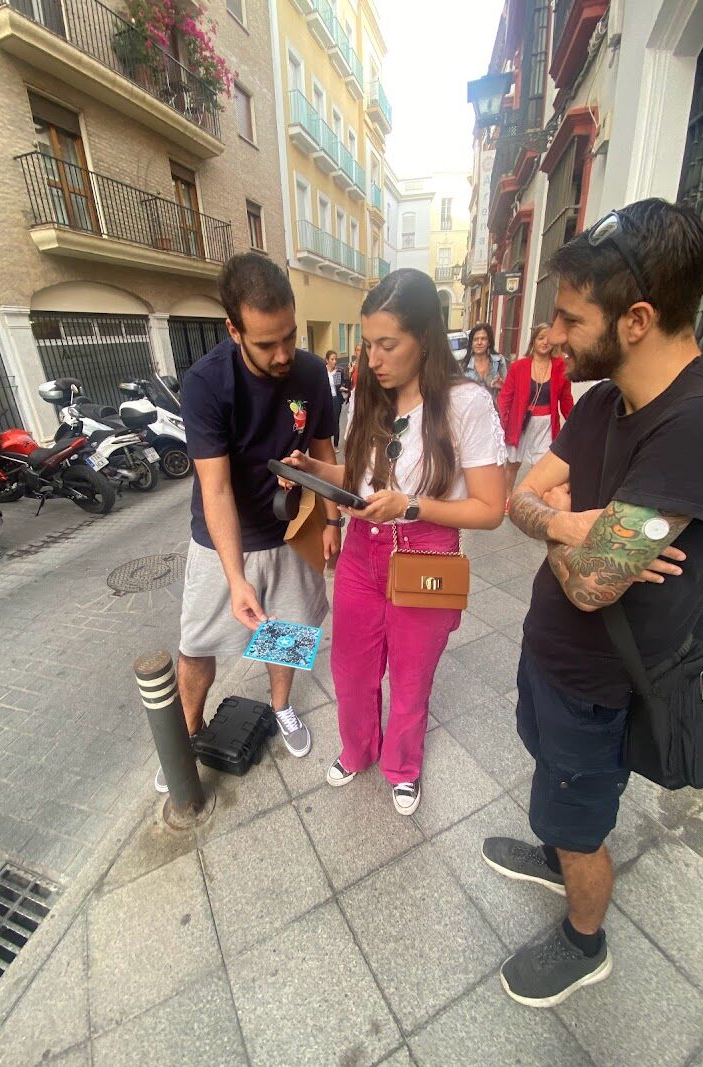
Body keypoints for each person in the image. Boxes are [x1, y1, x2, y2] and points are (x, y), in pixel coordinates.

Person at [482, 198, 703, 1007]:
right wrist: (570, 525)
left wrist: (567, 531)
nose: (551, 336)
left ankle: (585, 940)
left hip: (601, 687)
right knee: (552, 781)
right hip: (550, 657)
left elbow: (592, 584)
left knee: (581, 822)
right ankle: (557, 853)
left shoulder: (695, 427)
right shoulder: (604, 400)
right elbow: (520, 495)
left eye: (569, 319)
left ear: (636, 320)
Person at [282, 269, 506, 814]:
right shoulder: (370, 398)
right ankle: (357, 749)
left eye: (388, 344)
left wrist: (411, 506)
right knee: (351, 669)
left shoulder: (466, 403)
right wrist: (314, 469)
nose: (374, 359)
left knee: (411, 676)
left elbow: (490, 509)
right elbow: (358, 480)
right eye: (368, 345)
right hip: (362, 550)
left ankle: (403, 767)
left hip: (426, 552)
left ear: (424, 337)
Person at [155, 253, 342, 792]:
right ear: (233, 330)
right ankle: (186, 736)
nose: (283, 354)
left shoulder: (311, 372)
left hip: (291, 530)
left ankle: (281, 706)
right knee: (197, 644)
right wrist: (235, 577)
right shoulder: (206, 383)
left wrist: (332, 519)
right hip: (221, 540)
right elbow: (215, 489)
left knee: (287, 633)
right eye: (266, 344)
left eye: (289, 336)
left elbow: (324, 447)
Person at [497, 322, 574, 507]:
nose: (545, 342)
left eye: (548, 339)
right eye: (540, 338)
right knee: (513, 464)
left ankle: (535, 502)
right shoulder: (519, 366)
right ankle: (507, 498)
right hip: (520, 422)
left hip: (546, 424)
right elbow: (505, 397)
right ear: (533, 341)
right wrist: (502, 422)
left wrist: (574, 422)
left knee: (542, 465)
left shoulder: (560, 367)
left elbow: (566, 399)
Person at [462, 322, 508, 402]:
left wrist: (502, 386)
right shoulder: (464, 365)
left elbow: (508, 390)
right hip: (471, 408)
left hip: (493, 408)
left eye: (483, 339)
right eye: (475, 339)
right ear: (471, 343)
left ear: (489, 342)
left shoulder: (499, 361)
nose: (479, 343)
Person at [324, 349, 346, 448]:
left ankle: (335, 445)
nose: (335, 361)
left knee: (335, 422)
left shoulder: (339, 372)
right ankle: (326, 444)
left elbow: (343, 384)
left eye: (336, 359)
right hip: (326, 400)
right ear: (327, 360)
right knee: (326, 422)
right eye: (332, 359)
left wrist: (343, 387)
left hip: (336, 399)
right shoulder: (323, 372)